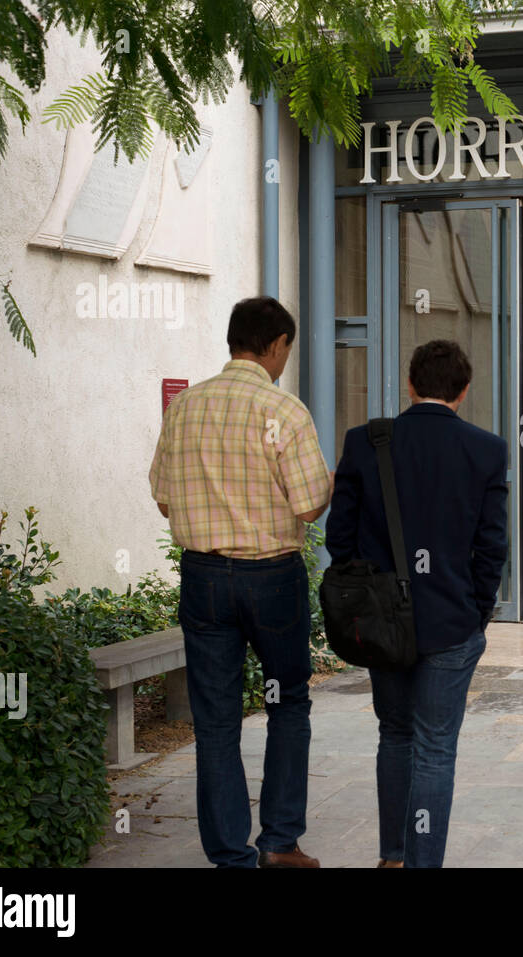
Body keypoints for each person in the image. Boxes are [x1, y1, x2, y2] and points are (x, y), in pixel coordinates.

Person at [149, 296, 333, 868]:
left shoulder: (185, 407)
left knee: (216, 718)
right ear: (276, 345)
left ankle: (230, 855)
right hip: (271, 577)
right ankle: (279, 842)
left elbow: (162, 496)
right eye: (287, 349)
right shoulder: (285, 411)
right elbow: (308, 506)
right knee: (287, 702)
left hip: (203, 578)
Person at [326, 340, 507, 868]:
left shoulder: (366, 442)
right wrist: (476, 612)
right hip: (451, 622)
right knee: (435, 747)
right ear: (465, 391)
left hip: (384, 624)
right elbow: (492, 546)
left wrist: (373, 594)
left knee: (395, 734)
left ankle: (392, 856)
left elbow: (340, 539)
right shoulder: (487, 450)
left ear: (410, 384)